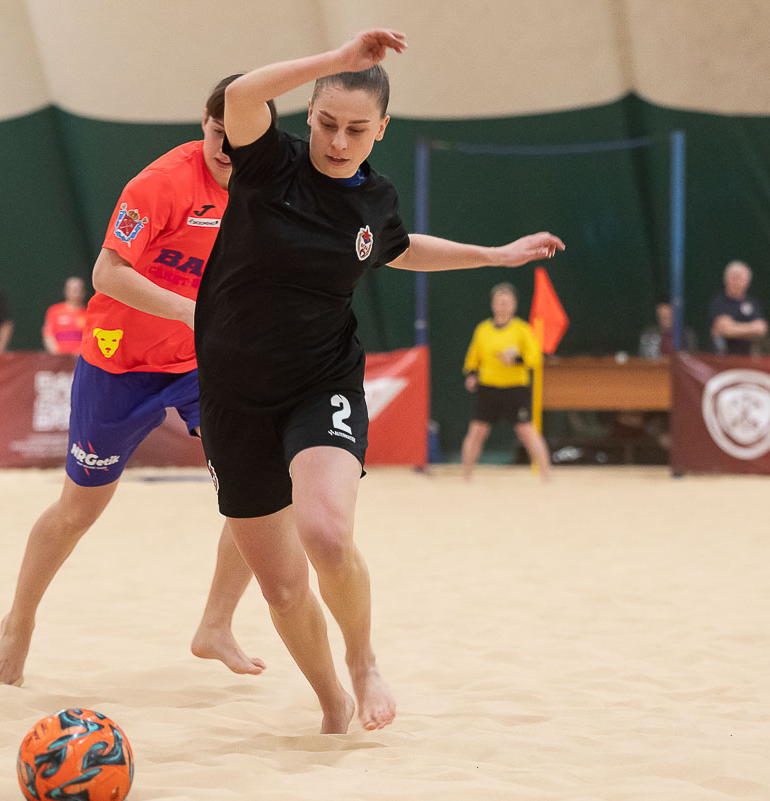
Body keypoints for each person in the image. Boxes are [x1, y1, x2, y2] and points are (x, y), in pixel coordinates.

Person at [194, 30, 564, 733]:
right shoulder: (269, 162)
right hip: (233, 396)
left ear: (382, 129)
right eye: (327, 123)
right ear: (309, 115)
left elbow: (399, 248)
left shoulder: (374, 199)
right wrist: (339, 61)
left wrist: (493, 255)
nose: (339, 141)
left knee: (326, 533)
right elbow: (240, 95)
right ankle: (332, 699)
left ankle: (363, 662)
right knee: (282, 587)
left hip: (320, 380)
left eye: (358, 129)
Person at [0, 75, 277, 688]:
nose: (227, 147)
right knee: (78, 510)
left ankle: (215, 625)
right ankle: (18, 621)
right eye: (217, 131)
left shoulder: (270, 187)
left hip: (199, 363)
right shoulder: (160, 184)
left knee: (264, 483)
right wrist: (194, 311)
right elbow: (107, 274)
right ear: (204, 123)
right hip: (118, 362)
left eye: (240, 135)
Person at [459, 282, 552, 482]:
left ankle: (546, 475)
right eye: (499, 302)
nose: (502, 306)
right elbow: (472, 358)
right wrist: (472, 374)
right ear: (493, 305)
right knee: (477, 431)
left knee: (526, 431)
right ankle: (466, 476)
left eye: (506, 302)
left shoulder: (522, 329)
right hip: (488, 387)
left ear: (514, 305)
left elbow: (535, 358)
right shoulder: (483, 329)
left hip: (515, 388)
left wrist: (515, 359)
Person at [709, 260, 768, 355]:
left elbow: (761, 329)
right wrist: (750, 329)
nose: (736, 282)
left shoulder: (752, 302)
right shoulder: (718, 301)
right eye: (733, 278)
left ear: (747, 282)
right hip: (722, 357)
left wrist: (733, 327)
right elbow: (724, 329)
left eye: (740, 279)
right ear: (726, 280)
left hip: (747, 357)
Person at [42, 276, 88, 354]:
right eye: (74, 290)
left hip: (81, 357)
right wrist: (57, 354)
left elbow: (90, 338)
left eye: (80, 290)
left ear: (84, 292)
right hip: (59, 357)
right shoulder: (54, 311)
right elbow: (48, 334)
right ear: (66, 291)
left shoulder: (89, 314)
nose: (77, 293)